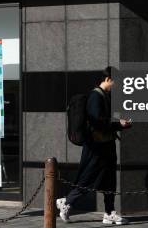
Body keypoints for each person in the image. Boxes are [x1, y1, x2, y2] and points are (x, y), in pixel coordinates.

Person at [56, 67, 132, 225]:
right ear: (107, 79)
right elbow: (97, 122)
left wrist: (120, 124)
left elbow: (106, 119)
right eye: (116, 82)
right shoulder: (95, 96)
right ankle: (66, 201)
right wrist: (119, 124)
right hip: (96, 147)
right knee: (89, 178)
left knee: (109, 180)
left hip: (106, 145)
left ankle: (109, 213)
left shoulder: (105, 96)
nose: (117, 86)